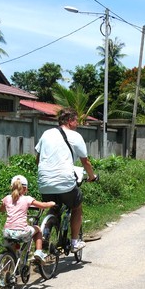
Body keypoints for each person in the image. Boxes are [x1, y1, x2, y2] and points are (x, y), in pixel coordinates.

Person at [35, 108, 98, 252]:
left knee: (53, 206)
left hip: (44, 182)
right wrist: (92, 177)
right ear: (70, 121)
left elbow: (37, 159)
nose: (77, 124)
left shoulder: (46, 133)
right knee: (77, 206)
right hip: (65, 182)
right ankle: (75, 242)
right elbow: (86, 162)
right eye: (76, 120)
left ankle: (45, 234)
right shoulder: (75, 136)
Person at [0, 175, 55, 263]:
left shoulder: (7, 198)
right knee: (38, 229)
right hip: (22, 232)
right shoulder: (27, 199)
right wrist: (51, 203)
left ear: (12, 187)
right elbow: (43, 205)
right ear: (25, 189)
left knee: (11, 251)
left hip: (7, 232)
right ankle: (39, 252)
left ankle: (7, 271)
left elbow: (1, 209)